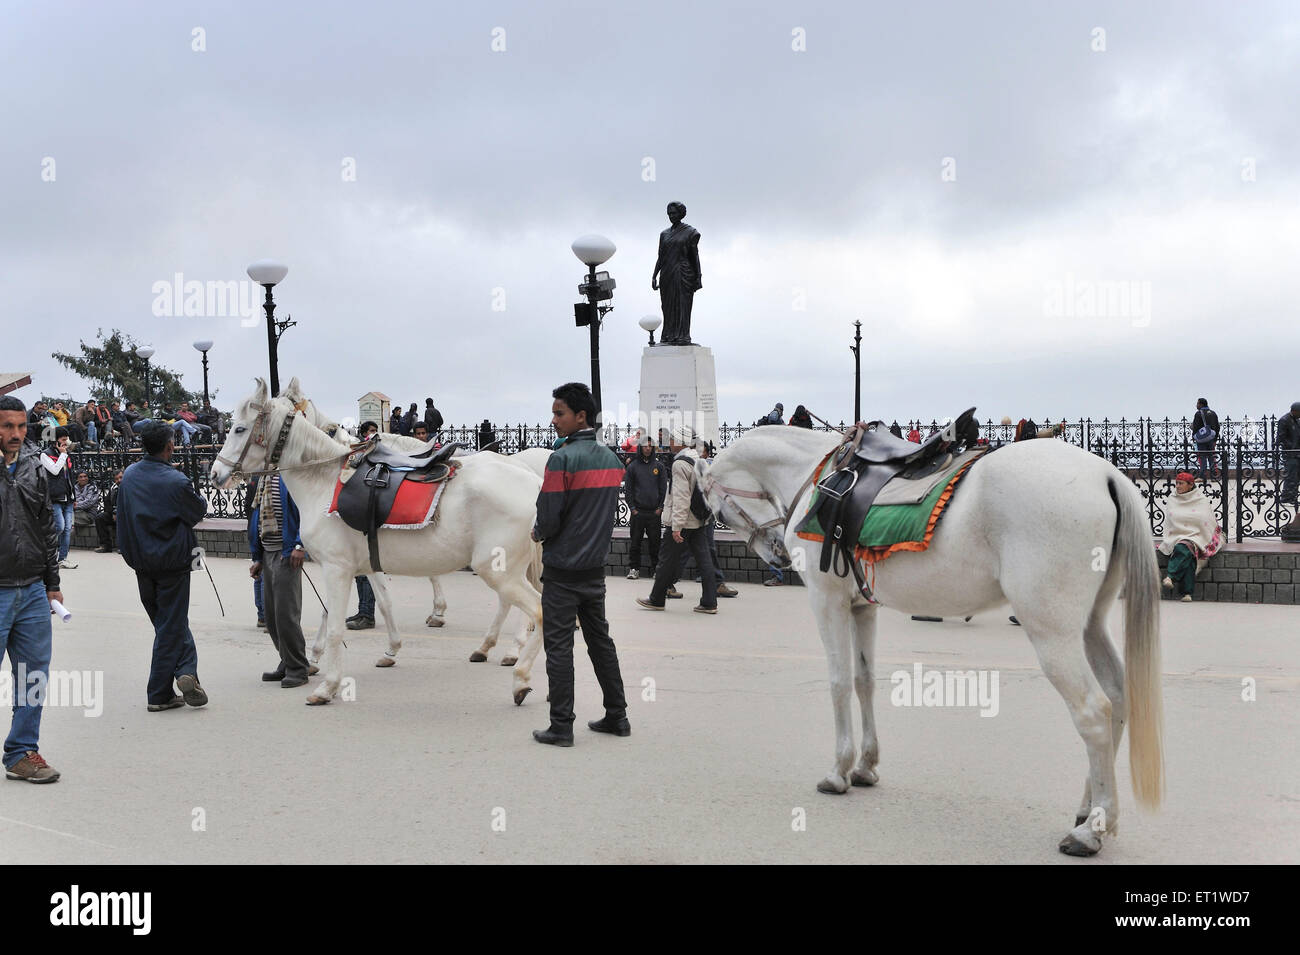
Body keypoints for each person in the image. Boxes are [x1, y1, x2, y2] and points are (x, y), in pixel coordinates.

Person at [530, 382, 628, 746]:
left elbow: (549, 517)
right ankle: (617, 715)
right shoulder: (611, 459)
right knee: (600, 642)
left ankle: (561, 726)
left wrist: (538, 532)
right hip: (594, 570)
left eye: (559, 414)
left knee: (558, 647)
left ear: (580, 416)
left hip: (562, 570)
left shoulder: (560, 459)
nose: (553, 420)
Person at [115, 423, 209, 712]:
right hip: (173, 562)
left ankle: (185, 673)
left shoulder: (129, 476)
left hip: (142, 562)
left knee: (168, 623)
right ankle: (161, 691)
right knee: (172, 625)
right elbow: (197, 511)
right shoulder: (176, 481)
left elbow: (122, 518)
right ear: (169, 447)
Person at [0, 396, 64, 783]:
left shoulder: (33, 467)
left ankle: (22, 752)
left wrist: (52, 583)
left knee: (33, 675)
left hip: (33, 592)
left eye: (22, 427)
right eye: (8, 426)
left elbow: (47, 528)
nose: (16, 434)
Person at [637, 425, 718, 614]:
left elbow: (681, 497)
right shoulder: (700, 460)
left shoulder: (679, 464)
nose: (670, 442)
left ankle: (656, 599)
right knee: (704, 559)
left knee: (666, 560)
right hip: (699, 519)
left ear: (680, 442)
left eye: (672, 439)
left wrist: (677, 526)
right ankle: (709, 602)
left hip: (683, 522)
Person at [249, 472, 313, 687]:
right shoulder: (263, 478)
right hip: (267, 553)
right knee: (271, 616)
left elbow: (306, 511)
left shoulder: (289, 476)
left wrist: (299, 545)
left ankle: (298, 668)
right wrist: (257, 557)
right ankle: (288, 661)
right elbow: (256, 519)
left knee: (286, 615)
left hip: (287, 554)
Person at [675, 440, 737, 599]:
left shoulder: (710, 468)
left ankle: (717, 584)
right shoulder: (687, 466)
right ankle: (668, 582)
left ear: (707, 454)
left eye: (701, 451)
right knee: (682, 551)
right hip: (689, 515)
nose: (698, 454)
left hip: (705, 515)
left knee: (708, 549)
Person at [1159, 472, 1223, 602]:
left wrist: (1192, 527)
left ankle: (1170, 576)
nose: (1177, 486)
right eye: (1176, 483)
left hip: (1197, 534)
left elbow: (1205, 519)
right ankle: (1187, 593)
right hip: (1177, 533)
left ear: (1190, 485)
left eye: (1181, 483)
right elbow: (1171, 518)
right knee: (1186, 551)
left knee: (1184, 548)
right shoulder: (1173, 498)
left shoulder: (1200, 499)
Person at [651, 200, 702, 345]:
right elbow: (660, 257)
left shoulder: (691, 232)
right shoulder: (664, 234)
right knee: (667, 307)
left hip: (683, 273)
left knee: (683, 305)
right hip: (666, 274)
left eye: (673, 213)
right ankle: (668, 336)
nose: (671, 216)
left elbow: (694, 256)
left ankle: (683, 336)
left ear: (681, 214)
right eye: (669, 214)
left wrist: (698, 277)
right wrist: (654, 275)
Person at [622, 435, 666, 580]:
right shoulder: (633, 467)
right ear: (640, 447)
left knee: (655, 544)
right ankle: (634, 569)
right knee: (635, 543)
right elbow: (628, 490)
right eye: (645, 446)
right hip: (638, 512)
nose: (647, 448)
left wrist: (660, 507)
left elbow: (663, 489)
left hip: (654, 512)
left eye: (650, 446)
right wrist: (633, 508)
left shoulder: (658, 466)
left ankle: (656, 569)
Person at [39, 429, 76, 569]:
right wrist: (62, 455)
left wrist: (74, 496)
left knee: (67, 529)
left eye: (67, 439)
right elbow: (54, 471)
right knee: (59, 526)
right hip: (54, 497)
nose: (65, 442)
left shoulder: (66, 454)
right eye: (63, 439)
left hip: (68, 497)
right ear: (55, 441)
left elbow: (70, 476)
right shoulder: (45, 455)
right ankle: (47, 554)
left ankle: (62, 559)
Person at [93, 470, 123, 553]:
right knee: (100, 518)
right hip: (113, 514)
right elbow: (107, 503)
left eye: (121, 478)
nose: (119, 481)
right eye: (116, 479)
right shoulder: (113, 488)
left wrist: (117, 512)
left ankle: (123, 547)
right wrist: (113, 512)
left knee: (122, 519)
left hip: (124, 514)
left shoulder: (129, 488)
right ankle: (105, 546)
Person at [1278, 402, 1300, 506]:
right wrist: (1291, 447)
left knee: (1296, 476)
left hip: (1297, 453)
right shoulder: (1284, 420)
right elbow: (1281, 437)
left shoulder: (1297, 420)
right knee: (1290, 475)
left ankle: (1293, 497)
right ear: (1295, 411)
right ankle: (1286, 498)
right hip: (1290, 453)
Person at [1192, 398, 1220, 479]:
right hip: (1211, 438)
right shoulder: (1213, 413)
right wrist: (1215, 438)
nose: (1196, 405)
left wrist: (1194, 437)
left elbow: (1196, 427)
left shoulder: (1198, 414)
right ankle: (1214, 476)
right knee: (1211, 457)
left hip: (1201, 439)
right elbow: (1217, 427)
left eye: (1197, 403)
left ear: (1201, 404)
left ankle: (1202, 476)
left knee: (1202, 457)